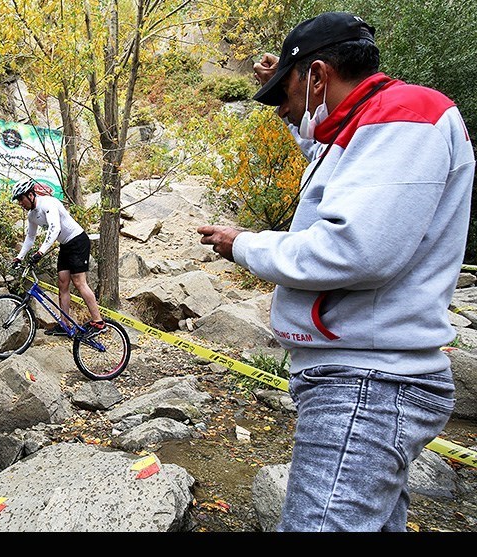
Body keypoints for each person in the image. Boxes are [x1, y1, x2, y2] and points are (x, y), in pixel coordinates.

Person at [198, 11, 475, 531]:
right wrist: (286, 85)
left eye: (286, 93)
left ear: (320, 75)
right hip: (364, 376)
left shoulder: (404, 117)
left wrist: (245, 244)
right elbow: (336, 154)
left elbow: (356, 250)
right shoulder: (373, 126)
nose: (282, 107)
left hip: (368, 381)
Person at [10, 178, 106, 337]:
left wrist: (40, 252)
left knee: (79, 282)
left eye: (21, 198)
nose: (20, 202)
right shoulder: (32, 215)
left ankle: (99, 322)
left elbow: (55, 229)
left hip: (78, 240)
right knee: (62, 284)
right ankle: (64, 325)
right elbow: (30, 237)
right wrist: (19, 257)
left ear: (30, 195)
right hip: (65, 245)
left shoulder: (48, 204)